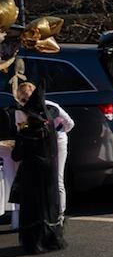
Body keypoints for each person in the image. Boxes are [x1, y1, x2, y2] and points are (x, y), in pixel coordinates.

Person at [12, 84, 66, 254]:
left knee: (34, 207)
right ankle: (52, 238)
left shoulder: (26, 130)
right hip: (49, 167)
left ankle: (35, 241)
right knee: (49, 203)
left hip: (32, 170)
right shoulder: (48, 123)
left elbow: (17, 155)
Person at [15, 82, 74, 216]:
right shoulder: (20, 111)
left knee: (57, 177)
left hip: (56, 141)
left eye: (30, 98)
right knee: (40, 177)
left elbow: (69, 123)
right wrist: (28, 126)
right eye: (23, 100)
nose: (27, 102)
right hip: (37, 143)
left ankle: (60, 213)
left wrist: (58, 133)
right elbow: (20, 128)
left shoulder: (50, 106)